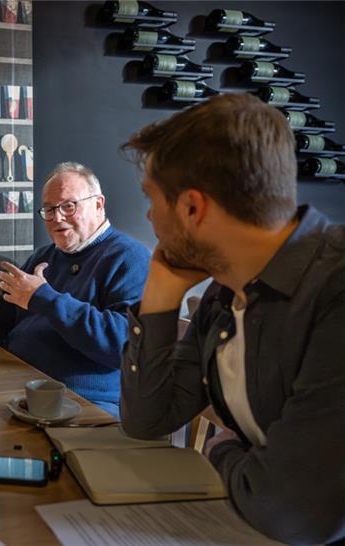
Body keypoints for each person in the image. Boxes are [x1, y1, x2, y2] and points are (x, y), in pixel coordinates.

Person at [119, 93, 344, 544]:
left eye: (151, 198)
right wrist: (159, 297)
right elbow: (147, 420)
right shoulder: (226, 292)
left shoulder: (335, 294)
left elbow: (294, 510)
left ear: (191, 208)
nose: (148, 216)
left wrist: (219, 450)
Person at [0, 162, 150, 417]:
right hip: (21, 390)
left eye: (68, 206)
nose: (57, 217)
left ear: (98, 204)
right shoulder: (45, 256)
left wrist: (45, 298)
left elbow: (124, 346)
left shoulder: (129, 257)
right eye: (49, 209)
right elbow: (5, 320)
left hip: (84, 404)